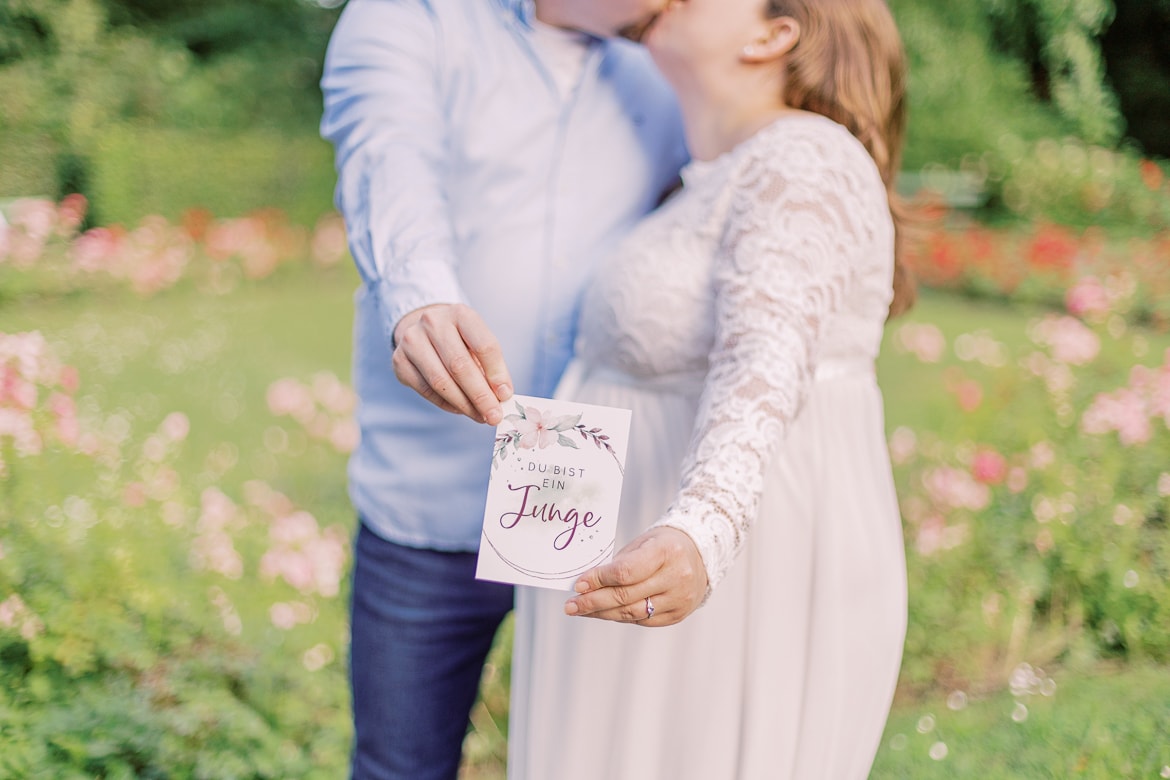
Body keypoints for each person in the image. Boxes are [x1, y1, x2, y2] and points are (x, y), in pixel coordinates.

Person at [508, 0, 915, 777]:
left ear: (774, 33)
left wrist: (704, 528)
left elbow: (763, 363)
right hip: (619, 566)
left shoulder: (805, 159)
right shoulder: (708, 176)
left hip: (735, 576)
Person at [318, 1, 687, 778]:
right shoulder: (409, 19)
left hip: (608, 510)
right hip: (427, 512)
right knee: (400, 766)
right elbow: (389, 162)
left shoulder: (671, 64)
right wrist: (420, 301)